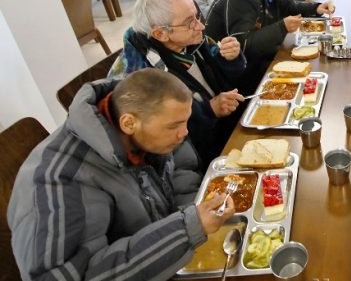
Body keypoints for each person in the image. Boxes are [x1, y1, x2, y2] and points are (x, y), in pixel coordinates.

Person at [8, 69, 236, 280]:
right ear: (128, 123)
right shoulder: (57, 182)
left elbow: (180, 171)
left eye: (186, 121)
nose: (185, 133)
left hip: (166, 254)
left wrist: (196, 206)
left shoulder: (150, 125)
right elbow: (65, 275)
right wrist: (186, 229)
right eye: (174, 126)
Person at [109, 0, 245, 166]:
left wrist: (231, 58)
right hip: (199, 154)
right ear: (160, 33)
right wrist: (208, 110)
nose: (200, 25)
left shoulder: (193, 41)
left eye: (197, 16)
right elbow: (165, 139)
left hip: (228, 127)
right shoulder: (142, 77)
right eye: (190, 22)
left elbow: (231, 77)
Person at [206, 0, 334, 94]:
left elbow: (288, 4)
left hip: (254, 59)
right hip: (235, 75)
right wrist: (281, 27)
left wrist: (316, 8)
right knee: (308, 70)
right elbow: (244, 45)